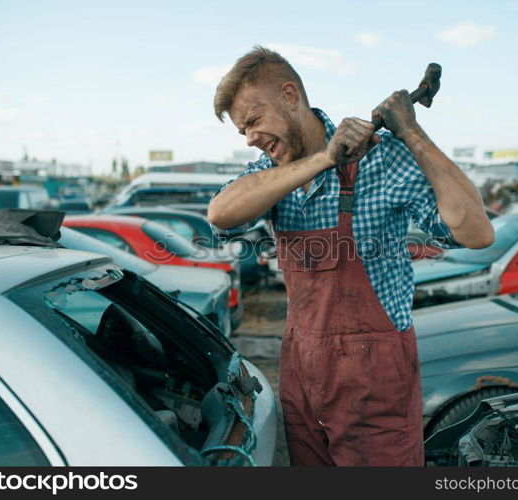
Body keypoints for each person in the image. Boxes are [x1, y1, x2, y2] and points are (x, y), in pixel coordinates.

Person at [208, 46, 493, 466]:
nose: (250, 137)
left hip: (373, 381)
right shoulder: (270, 177)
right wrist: (324, 159)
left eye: (253, 120)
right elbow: (220, 216)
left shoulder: (383, 158)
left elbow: (476, 232)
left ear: (290, 96)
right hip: (302, 374)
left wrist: (412, 134)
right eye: (241, 132)